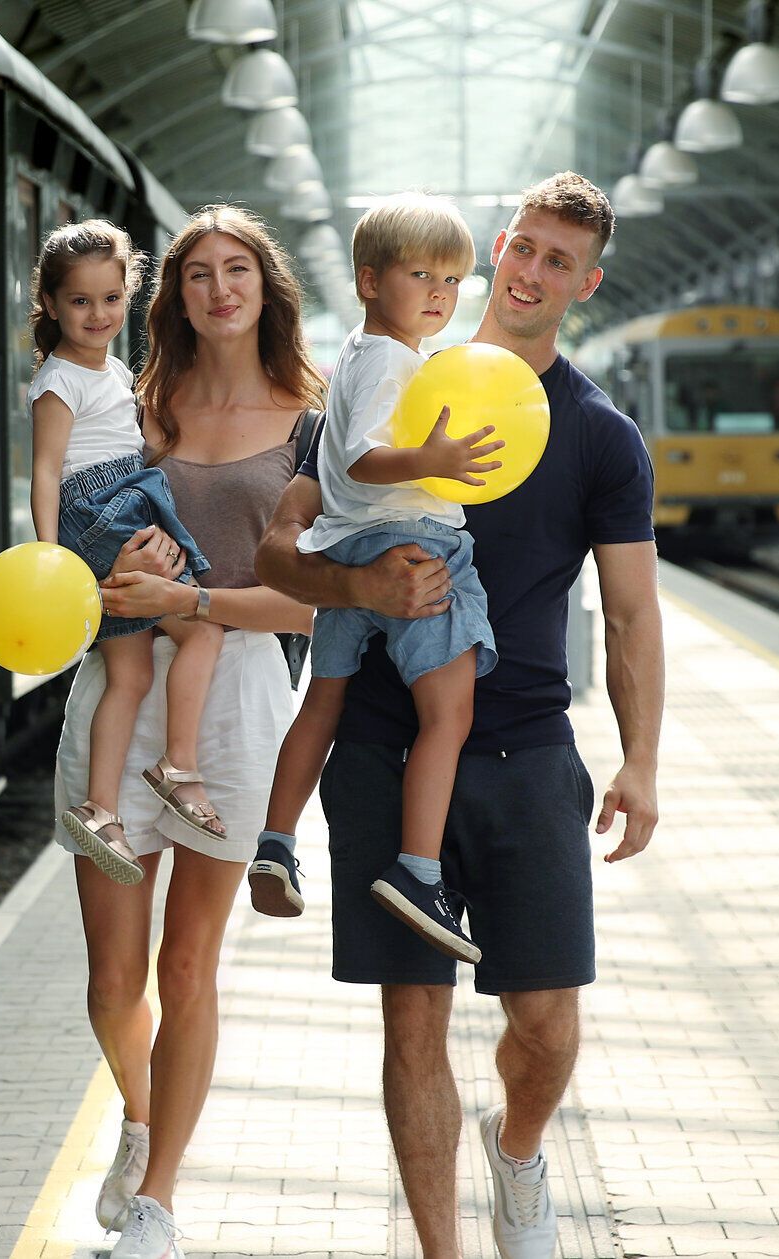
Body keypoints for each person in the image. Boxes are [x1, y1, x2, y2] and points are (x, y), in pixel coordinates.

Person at [255, 172, 664, 1259]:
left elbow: (630, 613)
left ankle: (518, 1147)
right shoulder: (376, 388)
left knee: (546, 1023)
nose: (532, 273)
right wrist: (356, 590)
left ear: (588, 281)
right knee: (412, 1018)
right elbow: (275, 550)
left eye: (559, 261)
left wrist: (644, 760)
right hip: (385, 742)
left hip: (528, 744)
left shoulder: (599, 434)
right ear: (498, 246)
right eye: (522, 248)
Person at [49, 205, 323, 1259]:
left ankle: (157, 1201)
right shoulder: (134, 403)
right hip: (122, 683)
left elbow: (318, 602)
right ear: (175, 297)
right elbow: (75, 547)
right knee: (113, 980)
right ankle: (139, 1112)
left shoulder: (311, 418)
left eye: (237, 268)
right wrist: (112, 594)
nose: (218, 287)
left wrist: (200, 607)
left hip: (239, 694)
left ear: (265, 286)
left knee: (190, 965)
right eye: (198, 272)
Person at [246, 193, 502, 970]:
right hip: (417, 549)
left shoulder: (360, 353)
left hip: (349, 552)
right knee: (448, 715)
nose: (438, 292)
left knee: (322, 702)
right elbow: (361, 456)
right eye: (420, 273)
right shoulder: (393, 359)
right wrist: (432, 462)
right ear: (367, 280)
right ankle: (419, 872)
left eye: (453, 279)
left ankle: (276, 842)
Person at [28, 220, 229, 885]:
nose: (98, 314)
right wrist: (51, 561)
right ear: (52, 304)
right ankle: (176, 766)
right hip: (98, 512)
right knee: (200, 627)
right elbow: (47, 470)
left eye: (111, 299)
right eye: (81, 301)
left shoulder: (110, 368)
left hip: (125, 501)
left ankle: (101, 806)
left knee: (132, 673)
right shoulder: (60, 380)